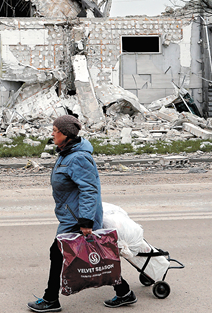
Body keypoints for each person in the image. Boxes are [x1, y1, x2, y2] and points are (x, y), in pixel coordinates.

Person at [28, 115, 136, 311]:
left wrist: (86, 222)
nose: (52, 133)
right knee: (97, 254)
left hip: (79, 218)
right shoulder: (66, 153)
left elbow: (89, 190)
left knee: (58, 253)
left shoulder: (78, 157)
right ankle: (124, 292)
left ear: (66, 134)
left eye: (55, 131)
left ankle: (51, 299)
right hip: (73, 214)